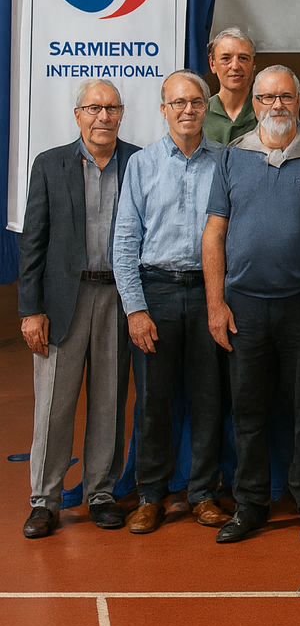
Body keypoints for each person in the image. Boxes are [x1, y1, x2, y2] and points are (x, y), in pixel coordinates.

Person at [204, 66, 300, 545]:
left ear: (299, 100)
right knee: (247, 410)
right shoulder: (233, 156)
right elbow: (214, 234)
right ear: (255, 102)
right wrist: (215, 304)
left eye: (285, 97)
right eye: (267, 98)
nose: (276, 106)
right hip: (244, 307)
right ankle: (250, 503)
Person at [20, 81, 138, 538]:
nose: (103, 116)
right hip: (62, 302)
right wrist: (31, 309)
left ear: (121, 114)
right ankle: (44, 501)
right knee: (54, 405)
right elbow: (34, 242)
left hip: (118, 298)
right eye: (93, 108)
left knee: (109, 401)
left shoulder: (137, 162)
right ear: (78, 115)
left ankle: (101, 493)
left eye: (111, 108)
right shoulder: (50, 164)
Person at [112, 73, 224, 534]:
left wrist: (222, 300)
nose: (187, 110)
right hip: (155, 291)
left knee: (209, 398)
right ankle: (150, 495)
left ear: (206, 108)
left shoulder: (225, 161)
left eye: (195, 102)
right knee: (154, 401)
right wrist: (135, 309)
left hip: (208, 292)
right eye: (178, 102)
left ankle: (203, 494)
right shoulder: (141, 164)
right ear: (163, 109)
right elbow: (124, 241)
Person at [203, 27, 257, 144]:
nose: (235, 66)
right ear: (212, 64)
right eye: (226, 59)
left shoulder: (265, 112)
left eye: (243, 58)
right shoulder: (200, 114)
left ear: (253, 64)